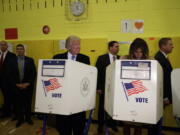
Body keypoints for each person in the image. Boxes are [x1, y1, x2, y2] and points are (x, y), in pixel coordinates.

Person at [53, 36, 90, 135]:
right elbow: (54, 79)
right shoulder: (57, 58)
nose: (79, 47)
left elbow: (87, 79)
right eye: (76, 44)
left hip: (78, 101)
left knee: (78, 128)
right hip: (63, 101)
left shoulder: (85, 59)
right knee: (64, 129)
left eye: (79, 44)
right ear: (69, 46)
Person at [121, 38, 150, 135]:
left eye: (141, 52)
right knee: (126, 122)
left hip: (141, 95)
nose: (138, 54)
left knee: (139, 123)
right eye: (136, 52)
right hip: (127, 95)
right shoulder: (124, 58)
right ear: (132, 50)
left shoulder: (149, 60)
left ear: (144, 51)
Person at [150, 38, 174, 135]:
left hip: (163, 93)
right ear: (163, 46)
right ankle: (155, 133)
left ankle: (158, 132)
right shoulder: (159, 58)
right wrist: (164, 96)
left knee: (159, 115)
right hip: (161, 95)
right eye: (170, 44)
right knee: (157, 115)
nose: (172, 46)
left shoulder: (164, 57)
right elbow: (160, 80)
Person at [95, 41, 120, 133]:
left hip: (116, 89)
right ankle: (100, 125)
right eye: (116, 46)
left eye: (118, 47)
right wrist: (98, 87)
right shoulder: (101, 58)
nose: (118, 48)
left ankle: (113, 124)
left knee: (114, 106)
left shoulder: (119, 58)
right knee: (102, 108)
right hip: (104, 88)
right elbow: (97, 73)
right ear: (110, 48)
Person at [15, 44, 36, 127]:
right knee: (18, 104)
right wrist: (16, 84)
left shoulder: (30, 60)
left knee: (27, 103)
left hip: (28, 86)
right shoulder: (12, 61)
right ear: (16, 51)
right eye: (18, 49)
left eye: (21, 49)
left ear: (24, 50)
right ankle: (20, 119)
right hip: (17, 86)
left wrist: (28, 83)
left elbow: (33, 73)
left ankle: (28, 118)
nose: (19, 50)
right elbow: (9, 74)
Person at [0, 41, 18, 118]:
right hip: (0, 81)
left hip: (8, 82)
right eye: (1, 45)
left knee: (9, 97)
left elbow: (14, 69)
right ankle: (6, 112)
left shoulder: (12, 56)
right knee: (5, 97)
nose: (3, 46)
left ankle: (9, 113)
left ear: (7, 46)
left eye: (4, 45)